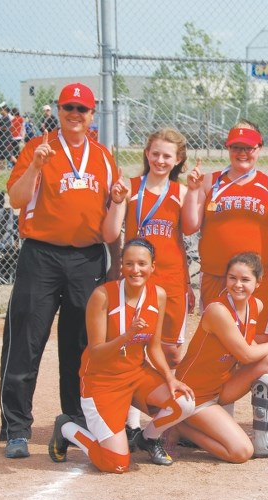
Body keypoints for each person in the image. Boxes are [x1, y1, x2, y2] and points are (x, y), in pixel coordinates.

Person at [0, 82, 119, 459]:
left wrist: (113, 263)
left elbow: (111, 217)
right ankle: (17, 428)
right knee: (27, 341)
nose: (75, 114)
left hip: (86, 259)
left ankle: (74, 421)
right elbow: (16, 198)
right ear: (58, 109)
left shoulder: (102, 156)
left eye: (82, 109)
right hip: (42, 256)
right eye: (69, 107)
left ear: (92, 113)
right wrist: (36, 166)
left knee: (80, 345)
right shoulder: (38, 149)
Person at [47, 238, 196, 471]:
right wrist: (126, 336)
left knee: (183, 403)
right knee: (115, 464)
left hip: (135, 375)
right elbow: (95, 353)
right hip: (102, 381)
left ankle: (147, 438)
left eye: (142, 264)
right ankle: (67, 428)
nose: (135, 270)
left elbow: (154, 347)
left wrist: (170, 378)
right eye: (129, 264)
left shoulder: (158, 295)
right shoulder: (102, 295)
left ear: (152, 266)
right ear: (121, 266)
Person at [103, 128, 195, 441]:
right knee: (133, 347)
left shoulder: (180, 192)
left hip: (171, 278)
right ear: (146, 153)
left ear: (178, 159)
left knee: (170, 351)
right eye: (155, 153)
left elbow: (189, 233)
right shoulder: (129, 188)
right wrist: (116, 203)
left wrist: (195, 193)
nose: (160, 159)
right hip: (136, 279)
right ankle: (130, 423)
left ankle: (170, 416)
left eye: (167, 155)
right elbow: (110, 233)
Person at [174, 253, 268, 461]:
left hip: (219, 389)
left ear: (258, 283)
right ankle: (179, 425)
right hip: (194, 396)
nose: (237, 285)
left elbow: (245, 345)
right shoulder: (218, 310)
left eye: (245, 279)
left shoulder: (256, 306)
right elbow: (245, 354)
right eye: (232, 278)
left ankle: (266, 437)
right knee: (241, 452)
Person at [185, 120, 268, 345]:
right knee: (216, 341)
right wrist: (192, 191)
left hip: (258, 279)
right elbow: (190, 226)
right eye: (236, 147)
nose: (243, 153)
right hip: (216, 275)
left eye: (249, 147)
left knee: (258, 340)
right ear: (227, 148)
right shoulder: (210, 181)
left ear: (259, 148)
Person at [0, 103, 12, 169]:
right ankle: (0, 168)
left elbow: (6, 128)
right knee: (1, 154)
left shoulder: (6, 118)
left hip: (5, 138)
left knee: (7, 154)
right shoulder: (1, 118)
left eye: (1, 109)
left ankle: (18, 164)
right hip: (0, 139)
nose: (0, 111)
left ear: (5, 110)